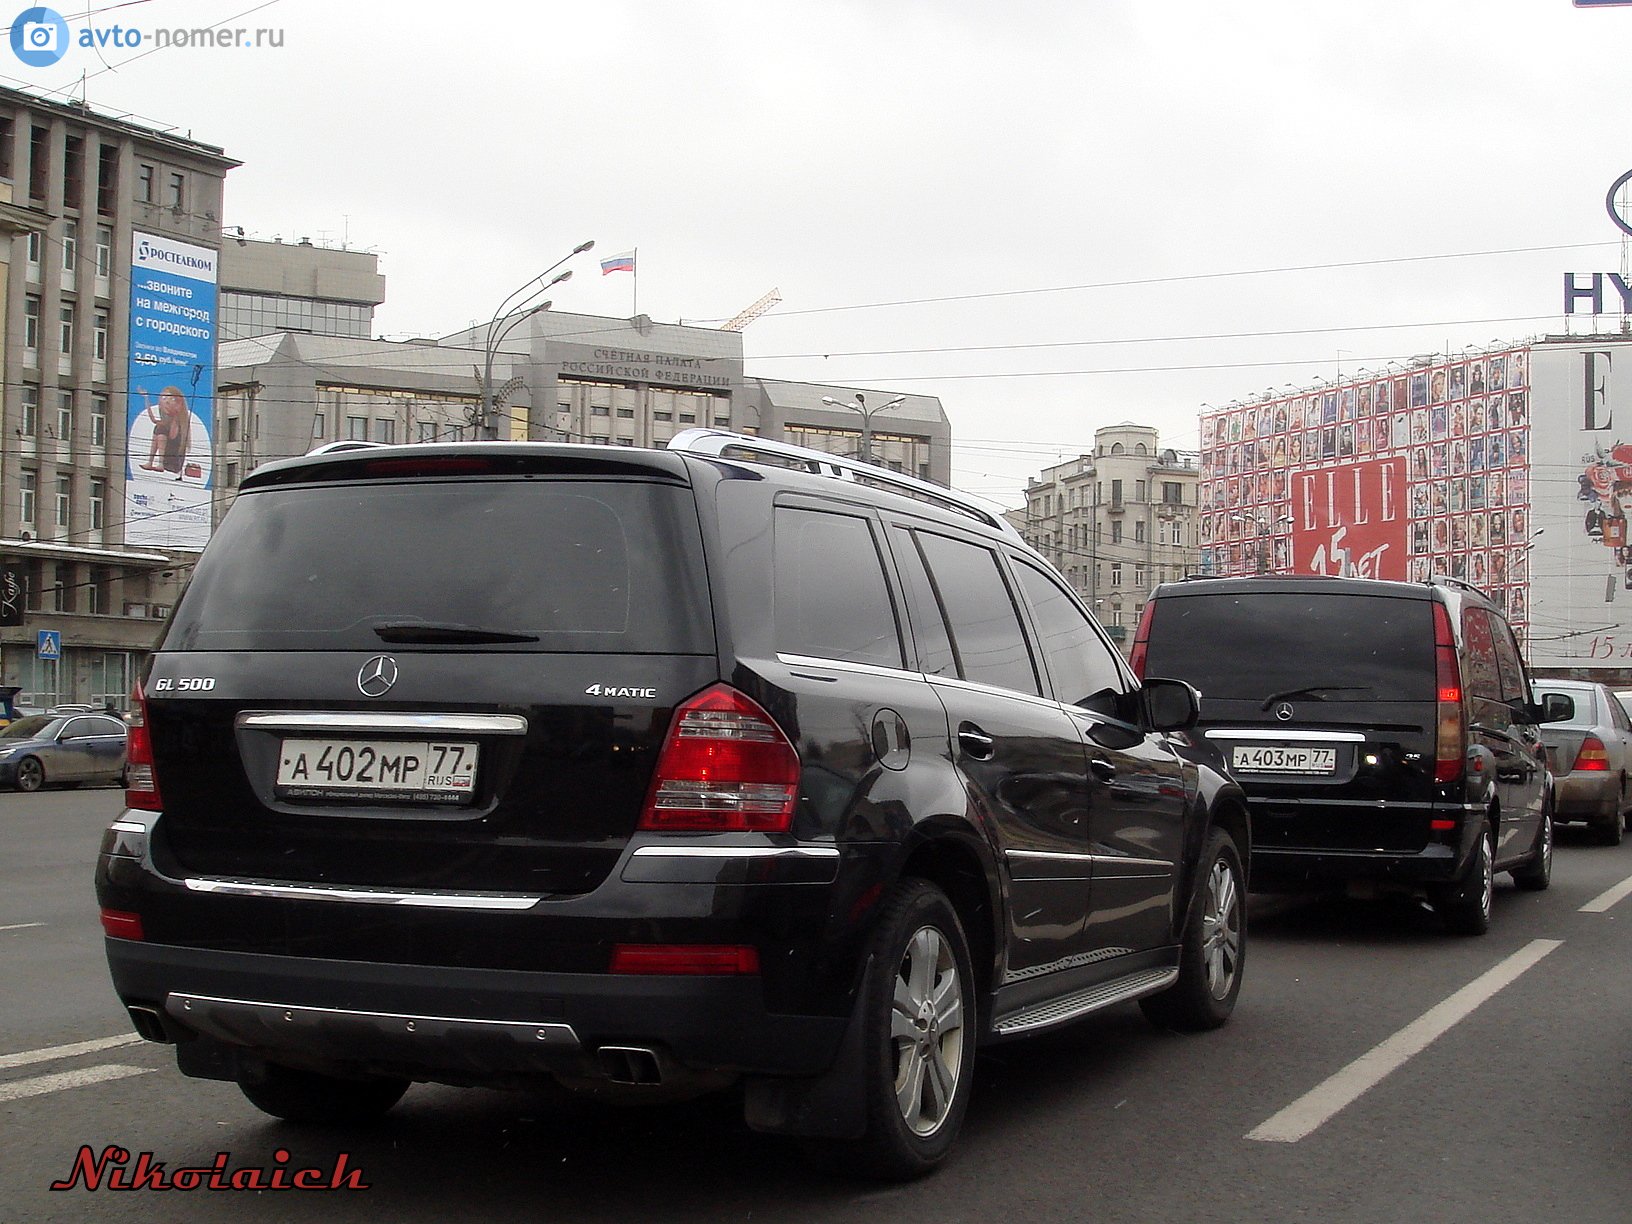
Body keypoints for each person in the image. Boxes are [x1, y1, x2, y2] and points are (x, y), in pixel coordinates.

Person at [138, 387, 191, 477]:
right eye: (164, 398)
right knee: (158, 428)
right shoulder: (166, 421)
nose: (166, 402)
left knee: (160, 429)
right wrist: (146, 398)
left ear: (180, 404)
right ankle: (151, 462)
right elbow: (153, 419)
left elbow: (173, 437)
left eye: (171, 399)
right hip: (167, 461)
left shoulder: (180, 423)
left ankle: (160, 463)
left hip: (173, 464)